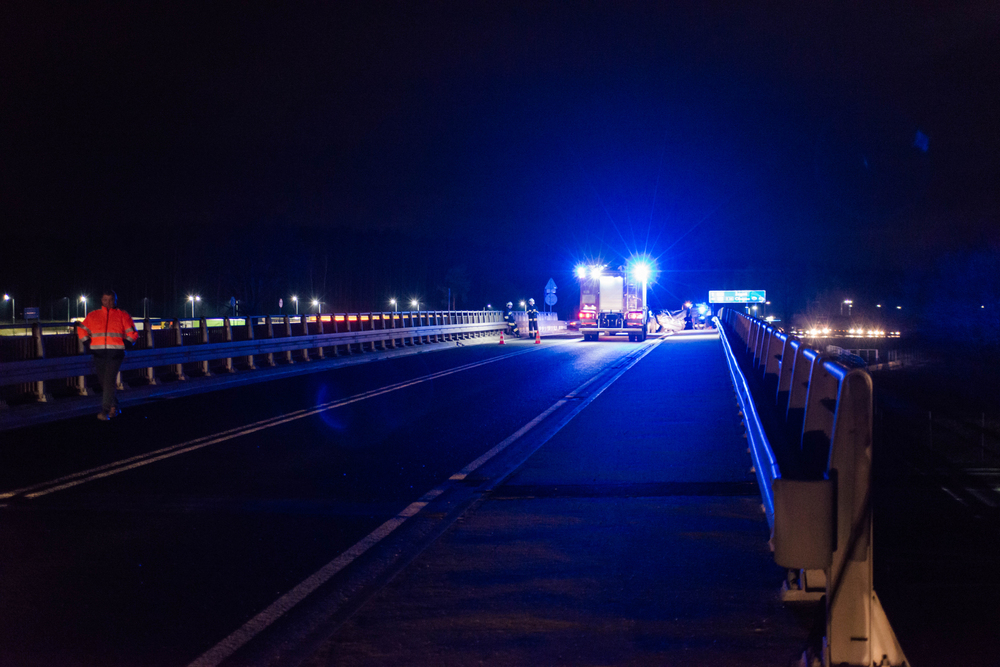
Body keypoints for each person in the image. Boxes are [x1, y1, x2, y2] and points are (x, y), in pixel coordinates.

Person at [77, 289, 139, 420]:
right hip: (98, 353)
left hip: (115, 354)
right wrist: (88, 343)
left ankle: (104, 411)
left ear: (115, 300)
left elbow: (133, 333)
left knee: (109, 381)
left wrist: (124, 346)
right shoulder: (93, 315)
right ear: (101, 300)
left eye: (111, 300)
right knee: (103, 382)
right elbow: (81, 329)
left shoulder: (122, 315)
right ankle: (114, 406)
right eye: (105, 300)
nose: (108, 302)